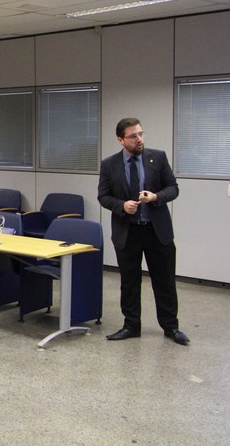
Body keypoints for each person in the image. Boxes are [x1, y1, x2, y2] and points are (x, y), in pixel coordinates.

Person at [98, 118, 189, 345]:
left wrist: (155, 196)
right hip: (127, 232)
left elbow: (173, 188)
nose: (139, 139)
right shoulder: (109, 165)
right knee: (129, 282)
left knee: (164, 281)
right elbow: (103, 196)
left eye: (140, 134)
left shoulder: (158, 157)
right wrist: (122, 206)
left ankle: (171, 327)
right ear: (121, 140)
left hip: (157, 231)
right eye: (133, 136)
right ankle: (131, 325)